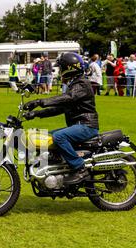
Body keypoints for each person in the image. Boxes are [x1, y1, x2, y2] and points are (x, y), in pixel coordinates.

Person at [22, 52, 99, 185]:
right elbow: (59, 109)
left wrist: (39, 102)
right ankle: (56, 167)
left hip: (86, 125)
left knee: (59, 137)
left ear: (69, 68)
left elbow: (68, 98)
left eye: (62, 68)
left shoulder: (82, 84)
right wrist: (36, 114)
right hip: (78, 125)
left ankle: (80, 168)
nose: (60, 71)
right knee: (49, 136)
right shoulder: (74, 84)